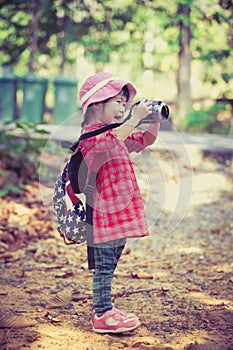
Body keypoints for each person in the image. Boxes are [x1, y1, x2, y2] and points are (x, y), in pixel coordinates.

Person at [78, 72, 162, 334]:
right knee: (104, 267)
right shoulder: (91, 136)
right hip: (103, 213)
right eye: (118, 102)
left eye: (126, 103)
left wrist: (153, 121)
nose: (124, 108)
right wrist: (132, 119)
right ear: (96, 104)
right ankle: (102, 313)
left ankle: (106, 308)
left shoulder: (113, 133)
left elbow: (145, 140)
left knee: (110, 264)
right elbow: (103, 148)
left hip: (120, 213)